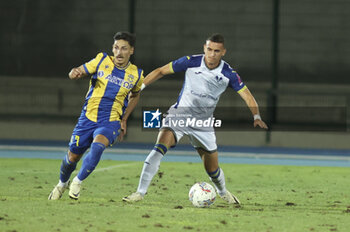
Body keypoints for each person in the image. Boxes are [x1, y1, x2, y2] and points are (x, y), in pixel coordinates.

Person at [122, 33, 268, 204]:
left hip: (203, 123)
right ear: (204, 48)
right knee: (158, 148)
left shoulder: (228, 73)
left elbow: (247, 95)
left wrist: (256, 116)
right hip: (179, 115)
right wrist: (140, 87)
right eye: (209, 49)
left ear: (223, 52)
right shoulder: (190, 61)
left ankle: (223, 192)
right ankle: (140, 193)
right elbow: (161, 71)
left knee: (212, 169)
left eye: (216, 51)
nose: (212, 54)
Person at [48, 31, 144, 200]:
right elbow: (79, 70)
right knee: (72, 157)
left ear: (131, 51)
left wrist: (124, 119)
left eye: (123, 48)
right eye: (116, 47)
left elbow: (135, 95)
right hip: (87, 118)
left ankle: (78, 181)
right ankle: (62, 184)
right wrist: (74, 72)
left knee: (98, 146)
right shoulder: (101, 60)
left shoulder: (136, 75)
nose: (119, 52)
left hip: (110, 121)